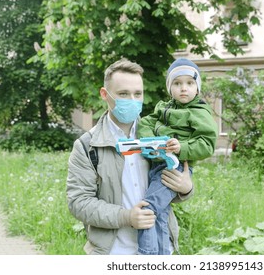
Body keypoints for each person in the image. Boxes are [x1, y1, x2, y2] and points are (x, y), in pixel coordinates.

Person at [66, 58, 194, 255]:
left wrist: (185, 189)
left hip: (161, 248)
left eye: (138, 94)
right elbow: (79, 202)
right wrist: (127, 217)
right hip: (113, 252)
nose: (132, 100)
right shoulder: (86, 146)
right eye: (123, 94)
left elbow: (167, 188)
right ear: (104, 94)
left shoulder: (160, 136)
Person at [136, 58, 218, 255]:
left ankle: (146, 256)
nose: (184, 88)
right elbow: (144, 123)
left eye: (190, 83)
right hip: (157, 163)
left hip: (175, 166)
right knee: (161, 213)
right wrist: (153, 141)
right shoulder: (163, 108)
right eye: (177, 83)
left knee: (148, 209)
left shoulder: (199, 112)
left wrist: (182, 147)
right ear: (169, 87)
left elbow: (207, 143)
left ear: (197, 88)